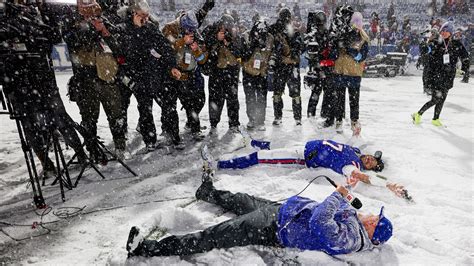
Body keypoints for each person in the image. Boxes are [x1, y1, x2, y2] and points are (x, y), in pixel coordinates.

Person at [125, 167, 393, 257]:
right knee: (242, 199)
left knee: (215, 235)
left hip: (274, 228)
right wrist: (348, 196)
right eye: (375, 215)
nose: (371, 216)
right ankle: (207, 193)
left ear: (372, 232)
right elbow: (337, 210)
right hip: (284, 211)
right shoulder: (355, 224)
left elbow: (320, 220)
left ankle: (147, 249)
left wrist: (338, 196)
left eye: (374, 220)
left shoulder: (349, 240)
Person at [1, 0, 87, 176]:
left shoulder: (37, 14)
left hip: (42, 78)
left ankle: (81, 154)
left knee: (60, 118)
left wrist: (41, 25)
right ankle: (47, 165)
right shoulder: (7, 17)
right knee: (30, 126)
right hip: (18, 82)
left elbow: (52, 40)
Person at [110, 0, 184, 150]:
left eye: (147, 16)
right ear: (134, 14)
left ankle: (174, 136)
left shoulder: (150, 28)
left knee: (168, 106)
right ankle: (150, 141)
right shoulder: (122, 29)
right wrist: (136, 30)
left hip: (155, 75)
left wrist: (172, 66)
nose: (145, 19)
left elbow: (165, 48)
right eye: (142, 15)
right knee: (145, 109)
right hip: (136, 77)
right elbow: (123, 52)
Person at [63, 0, 127, 160]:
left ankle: (120, 146)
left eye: (94, 11)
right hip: (86, 81)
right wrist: (90, 29)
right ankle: (93, 150)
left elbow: (119, 48)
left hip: (108, 78)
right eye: (87, 11)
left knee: (117, 116)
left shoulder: (104, 21)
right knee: (89, 120)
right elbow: (72, 42)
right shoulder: (72, 23)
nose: (92, 15)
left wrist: (104, 31)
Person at [217, 139, 384, 187]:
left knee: (263, 156)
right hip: (305, 145)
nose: (369, 160)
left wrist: (362, 178)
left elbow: (354, 175)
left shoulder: (353, 166)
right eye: (372, 158)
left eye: (371, 164)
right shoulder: (355, 151)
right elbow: (352, 141)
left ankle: (223, 164)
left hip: (302, 156)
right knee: (280, 142)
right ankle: (253, 141)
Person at [162, 9, 209, 141]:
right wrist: (182, 41)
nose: (190, 32)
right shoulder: (170, 28)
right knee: (170, 104)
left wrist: (197, 50)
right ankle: (171, 131)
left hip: (192, 73)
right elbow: (165, 48)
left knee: (195, 102)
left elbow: (203, 59)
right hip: (174, 74)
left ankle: (193, 125)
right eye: (188, 30)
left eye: (192, 30)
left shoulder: (195, 33)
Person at [412, 22, 469, 127]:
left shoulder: (456, 44)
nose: (443, 33)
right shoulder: (437, 42)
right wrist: (424, 46)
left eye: (446, 31)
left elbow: (464, 57)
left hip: (448, 76)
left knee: (442, 98)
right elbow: (428, 50)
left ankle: (435, 119)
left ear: (451, 33)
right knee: (436, 98)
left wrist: (464, 68)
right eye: (442, 31)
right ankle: (418, 114)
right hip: (436, 75)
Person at [202, 14, 242, 134]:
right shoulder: (211, 30)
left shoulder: (236, 36)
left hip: (231, 71)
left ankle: (234, 123)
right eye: (225, 27)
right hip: (216, 71)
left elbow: (241, 52)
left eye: (229, 27)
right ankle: (213, 123)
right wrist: (216, 38)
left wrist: (230, 43)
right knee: (215, 99)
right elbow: (203, 43)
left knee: (233, 99)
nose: (226, 30)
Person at [332, 11, 369, 136]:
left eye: (358, 22)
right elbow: (334, 54)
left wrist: (351, 51)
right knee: (339, 100)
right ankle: (338, 121)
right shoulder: (343, 36)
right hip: (340, 72)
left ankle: (354, 123)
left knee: (354, 101)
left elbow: (360, 57)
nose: (356, 26)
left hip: (354, 74)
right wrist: (338, 46)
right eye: (354, 22)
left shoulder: (364, 39)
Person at [268, 7, 304, 126]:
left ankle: (289, 118)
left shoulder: (293, 31)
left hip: (288, 66)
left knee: (290, 94)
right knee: (282, 94)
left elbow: (299, 49)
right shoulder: (275, 30)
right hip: (283, 66)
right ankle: (288, 117)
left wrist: (289, 56)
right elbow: (271, 48)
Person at [240, 19, 274, 131]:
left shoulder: (270, 38)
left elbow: (272, 54)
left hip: (262, 72)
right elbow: (242, 56)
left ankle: (260, 120)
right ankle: (252, 119)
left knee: (261, 98)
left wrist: (270, 65)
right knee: (250, 97)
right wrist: (252, 47)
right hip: (248, 71)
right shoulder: (245, 36)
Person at [304, 10, 335, 126]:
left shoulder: (326, 34)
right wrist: (319, 68)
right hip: (318, 67)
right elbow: (311, 54)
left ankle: (324, 114)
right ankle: (311, 114)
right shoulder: (313, 35)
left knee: (326, 93)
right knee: (317, 92)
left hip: (326, 66)